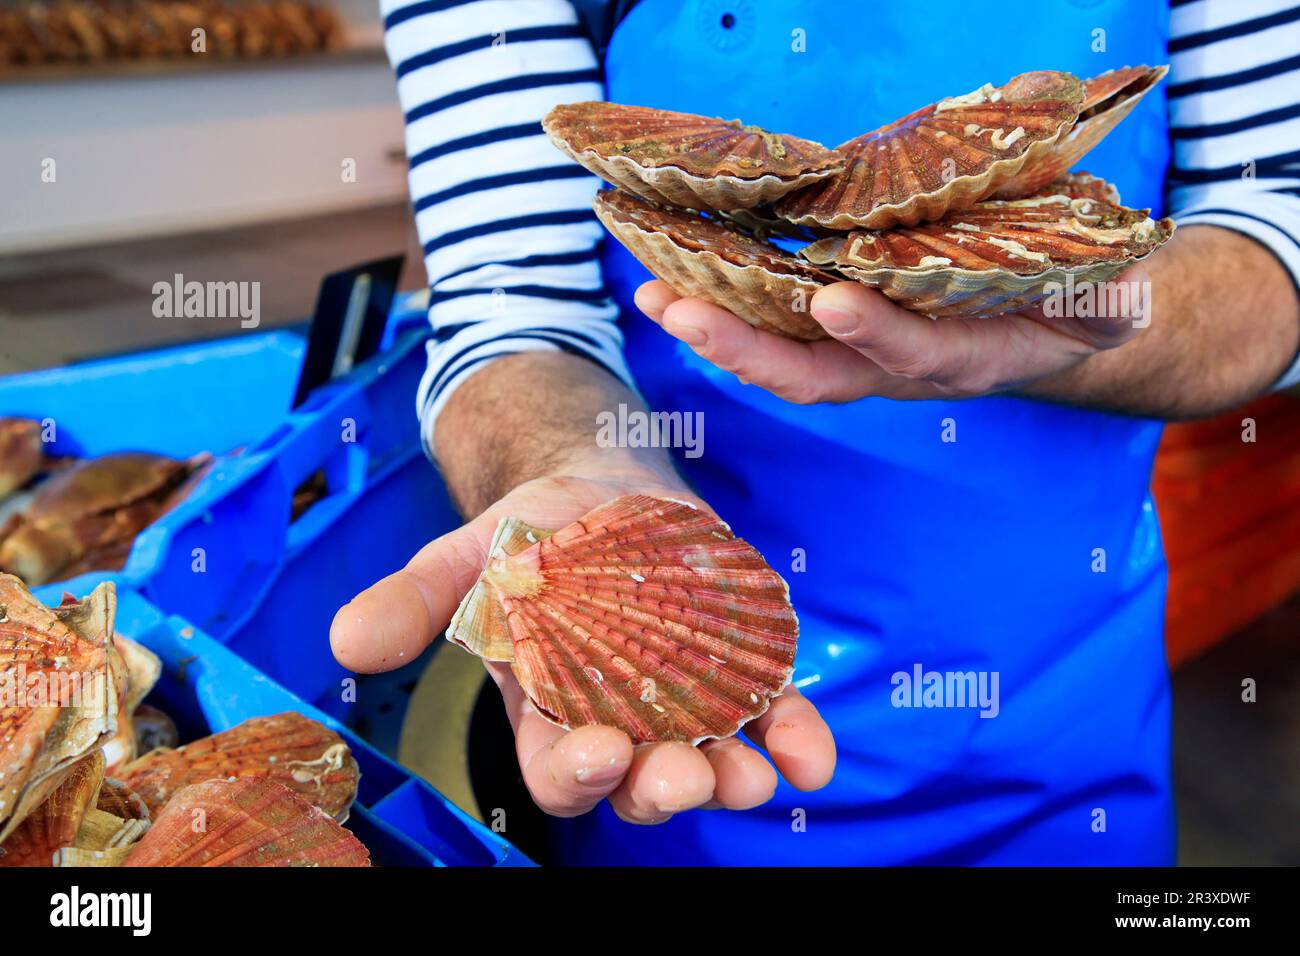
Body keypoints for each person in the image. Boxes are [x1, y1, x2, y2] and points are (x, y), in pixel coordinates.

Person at [331, 0, 1300, 864]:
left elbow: (1274, 232)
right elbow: (516, 308)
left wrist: (1045, 321)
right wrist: (575, 473)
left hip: (1070, 711)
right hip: (694, 729)